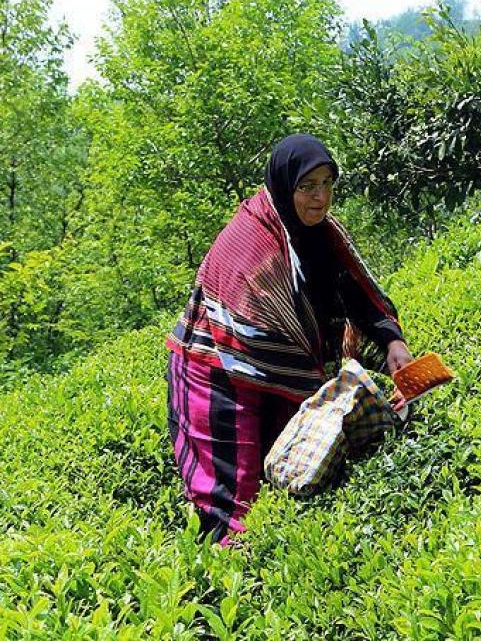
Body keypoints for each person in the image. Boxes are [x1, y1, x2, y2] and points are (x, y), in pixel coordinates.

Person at [165, 133, 412, 544]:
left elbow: (355, 291)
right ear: (284, 185)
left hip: (279, 365)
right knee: (235, 489)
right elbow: (254, 331)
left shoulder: (322, 232)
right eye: (307, 186)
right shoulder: (252, 243)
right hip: (217, 368)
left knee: (291, 462)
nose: (320, 197)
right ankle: (224, 570)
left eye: (327, 184)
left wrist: (392, 342)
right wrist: (323, 392)